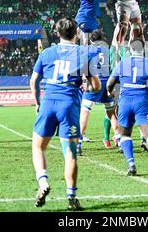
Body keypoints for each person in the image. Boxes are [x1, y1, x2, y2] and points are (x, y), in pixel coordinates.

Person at [29, 17, 101, 211]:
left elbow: (34, 80)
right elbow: (96, 86)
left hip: (48, 101)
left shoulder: (47, 53)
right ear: (76, 32)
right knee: (70, 154)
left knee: (38, 146)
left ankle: (43, 181)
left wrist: (37, 102)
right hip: (69, 104)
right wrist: (84, 86)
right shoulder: (83, 54)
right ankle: (71, 197)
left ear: (57, 33)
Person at [106, 38, 148, 179]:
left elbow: (109, 84)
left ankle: (131, 165)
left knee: (125, 134)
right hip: (142, 101)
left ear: (130, 50)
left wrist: (110, 92)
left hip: (125, 102)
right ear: (143, 49)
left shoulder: (122, 64)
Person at [78, 30, 120, 155]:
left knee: (85, 111)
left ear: (92, 40)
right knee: (112, 113)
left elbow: (85, 67)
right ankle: (119, 139)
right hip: (108, 82)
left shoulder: (88, 50)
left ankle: (78, 143)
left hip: (94, 81)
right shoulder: (107, 49)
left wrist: (84, 80)